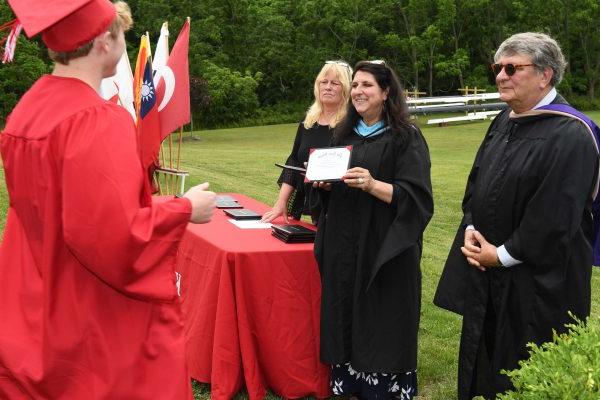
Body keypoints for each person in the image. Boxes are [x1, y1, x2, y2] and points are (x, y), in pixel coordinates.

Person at [0, 1, 216, 399]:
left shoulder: (27, 110)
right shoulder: (96, 120)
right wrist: (185, 209)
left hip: (36, 295)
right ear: (104, 41)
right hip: (91, 312)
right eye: (123, 34)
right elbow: (115, 236)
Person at [434, 32, 600, 399]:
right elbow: (477, 182)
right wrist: (472, 227)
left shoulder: (572, 133)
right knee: (489, 360)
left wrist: (502, 255)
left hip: (541, 281)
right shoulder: (504, 120)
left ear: (545, 75)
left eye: (512, 68)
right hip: (490, 274)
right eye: (498, 67)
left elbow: (555, 217)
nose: (501, 76)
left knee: (529, 367)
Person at [313, 61, 433, 400]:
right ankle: (348, 383)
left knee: (382, 315)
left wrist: (372, 184)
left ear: (386, 92)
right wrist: (322, 186)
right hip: (344, 245)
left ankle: (384, 389)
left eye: (367, 85)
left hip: (384, 247)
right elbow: (329, 193)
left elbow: (417, 198)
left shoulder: (405, 137)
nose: (358, 91)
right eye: (356, 86)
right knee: (345, 312)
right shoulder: (342, 134)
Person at [261, 60, 352, 224]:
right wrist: (281, 202)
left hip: (339, 207)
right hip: (312, 202)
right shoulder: (309, 121)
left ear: (346, 88)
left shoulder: (350, 124)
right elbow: (294, 161)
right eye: (323, 82)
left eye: (335, 83)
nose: (328, 87)